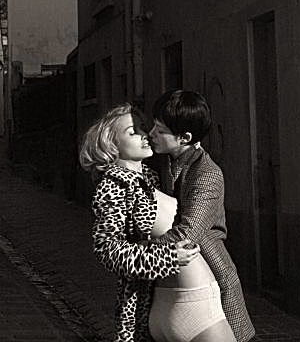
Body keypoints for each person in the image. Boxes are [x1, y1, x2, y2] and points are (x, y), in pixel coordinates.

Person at [79, 103, 235, 342]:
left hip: (178, 300)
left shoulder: (152, 177)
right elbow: (106, 250)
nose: (145, 135)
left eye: (144, 127)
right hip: (191, 304)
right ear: (111, 145)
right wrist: (166, 258)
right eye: (132, 132)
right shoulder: (113, 185)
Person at [149, 89, 255, 342]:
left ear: (184, 137)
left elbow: (189, 232)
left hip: (209, 263)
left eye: (160, 130)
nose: (151, 134)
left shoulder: (207, 173)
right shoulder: (162, 161)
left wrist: (143, 252)